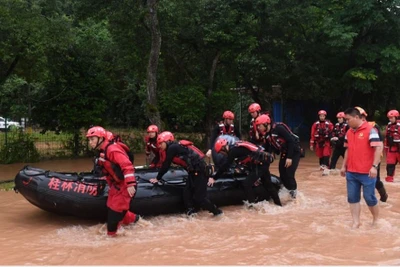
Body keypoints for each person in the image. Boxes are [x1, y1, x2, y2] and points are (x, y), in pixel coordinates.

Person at [149, 131, 223, 217]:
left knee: (200, 198)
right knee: (186, 192)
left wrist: (157, 178)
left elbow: (166, 165)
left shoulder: (172, 148)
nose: (159, 146)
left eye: (161, 143)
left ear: (167, 141)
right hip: (193, 172)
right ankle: (191, 213)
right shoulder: (176, 147)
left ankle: (217, 212)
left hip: (200, 172)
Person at [87, 126, 139, 236]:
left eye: (92, 139)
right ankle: (140, 222)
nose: (90, 142)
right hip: (116, 186)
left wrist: (130, 184)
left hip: (124, 186)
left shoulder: (112, 150)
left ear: (101, 138)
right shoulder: (102, 150)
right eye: (89, 140)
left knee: (112, 224)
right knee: (111, 206)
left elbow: (127, 165)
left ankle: (112, 242)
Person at [340, 108, 383, 228]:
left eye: (348, 119)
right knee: (352, 198)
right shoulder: (349, 132)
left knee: (369, 197)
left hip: (367, 172)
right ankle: (356, 222)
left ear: (357, 117)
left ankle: (376, 220)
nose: (346, 122)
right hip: (351, 172)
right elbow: (347, 149)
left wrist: (374, 167)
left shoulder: (371, 130)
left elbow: (378, 148)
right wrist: (344, 166)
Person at [209, 138, 282, 207]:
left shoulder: (233, 151)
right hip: (262, 162)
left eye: (221, 152)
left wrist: (214, 178)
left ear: (223, 148)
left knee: (246, 184)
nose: (222, 154)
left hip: (260, 164)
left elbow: (225, 166)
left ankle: (253, 205)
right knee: (268, 184)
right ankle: (279, 204)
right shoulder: (235, 147)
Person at [254, 114, 300, 199]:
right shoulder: (267, 134)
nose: (258, 128)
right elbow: (267, 146)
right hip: (284, 153)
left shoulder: (278, 128)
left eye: (259, 126)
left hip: (293, 152)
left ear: (265, 124)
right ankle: (287, 191)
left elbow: (290, 141)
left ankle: (294, 196)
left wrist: (289, 158)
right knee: (282, 173)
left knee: (289, 174)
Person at [355, 106, 388, 202]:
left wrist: (376, 161)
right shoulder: (352, 128)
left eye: (359, 116)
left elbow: (379, 144)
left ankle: (383, 196)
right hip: (359, 158)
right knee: (356, 178)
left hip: (373, 157)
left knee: (375, 180)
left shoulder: (373, 126)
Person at [384, 109, 400, 183]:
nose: (390, 119)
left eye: (391, 117)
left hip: (399, 148)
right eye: (389, 118)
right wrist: (386, 148)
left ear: (396, 117)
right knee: (390, 163)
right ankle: (390, 177)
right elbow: (386, 138)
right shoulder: (388, 126)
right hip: (391, 148)